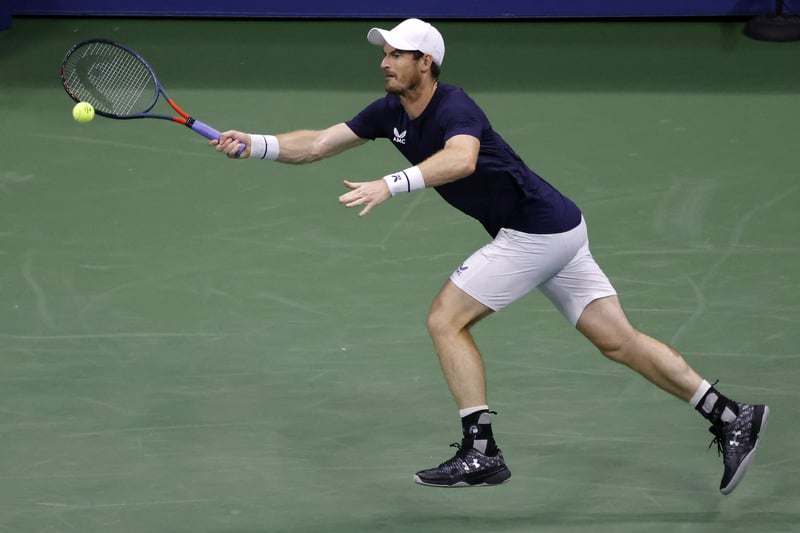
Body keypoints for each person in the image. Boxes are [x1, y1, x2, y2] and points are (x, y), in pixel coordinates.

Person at [212, 18, 769, 494]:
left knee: (445, 319)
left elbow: (461, 160)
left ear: (425, 62)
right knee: (617, 340)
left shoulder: (455, 105)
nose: (385, 63)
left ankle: (482, 452)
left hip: (537, 233)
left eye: (396, 55)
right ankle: (731, 415)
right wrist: (256, 144)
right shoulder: (389, 111)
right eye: (383, 54)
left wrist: (391, 182)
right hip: (561, 227)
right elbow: (316, 144)